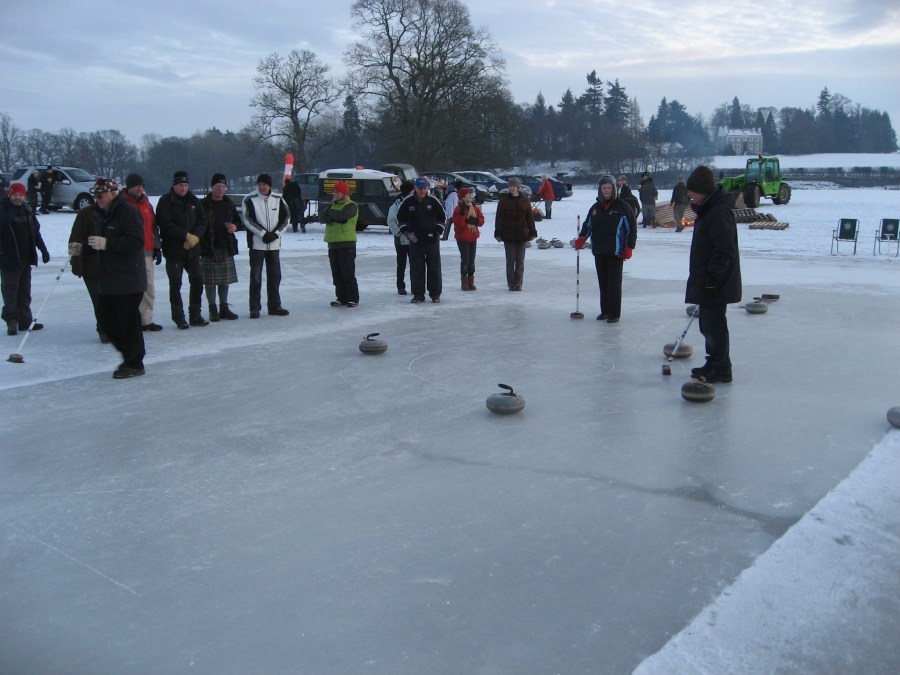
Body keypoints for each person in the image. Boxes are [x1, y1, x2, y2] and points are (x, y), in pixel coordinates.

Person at [684, 165, 741, 384]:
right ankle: (713, 361)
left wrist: (712, 278)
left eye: (693, 191)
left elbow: (724, 250)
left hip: (716, 281)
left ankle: (722, 368)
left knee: (714, 326)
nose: (689, 194)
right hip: (708, 278)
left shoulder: (717, 212)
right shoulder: (708, 209)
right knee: (707, 325)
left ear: (703, 190)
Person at [86, 178, 147, 379]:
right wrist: (84, 247)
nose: (98, 199)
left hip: (128, 278)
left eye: (100, 196)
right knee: (106, 321)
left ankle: (134, 361)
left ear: (112, 194)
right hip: (109, 277)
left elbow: (136, 241)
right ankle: (130, 355)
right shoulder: (101, 214)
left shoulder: (128, 212)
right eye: (95, 196)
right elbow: (100, 242)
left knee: (128, 322)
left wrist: (107, 244)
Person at [575, 175, 637, 323]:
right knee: (603, 283)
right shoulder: (595, 208)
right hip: (599, 250)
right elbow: (588, 225)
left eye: (609, 188)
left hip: (616, 252)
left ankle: (614, 313)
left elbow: (632, 229)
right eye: (604, 188)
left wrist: (630, 247)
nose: (607, 190)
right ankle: (605, 311)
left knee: (614, 284)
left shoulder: (623, 207)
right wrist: (582, 238)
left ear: (614, 189)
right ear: (600, 190)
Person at [156, 170, 208, 329]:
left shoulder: (194, 200)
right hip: (174, 251)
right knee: (175, 284)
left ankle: (195, 314)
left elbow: (203, 220)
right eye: (180, 185)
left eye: (185, 185)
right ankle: (178, 317)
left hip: (192, 250)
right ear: (174, 186)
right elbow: (165, 224)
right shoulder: (165, 201)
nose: (183, 188)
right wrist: (185, 235)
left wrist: (196, 237)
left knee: (198, 281)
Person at [0, 183, 50, 336]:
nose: (18, 197)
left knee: (24, 293)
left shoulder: (27, 210)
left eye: (20, 195)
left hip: (25, 259)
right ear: (10, 195)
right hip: (9, 260)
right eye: (15, 194)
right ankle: (12, 321)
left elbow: (35, 232)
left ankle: (25, 321)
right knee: (10, 292)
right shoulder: (3, 211)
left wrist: (43, 249)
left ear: (24, 196)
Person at [242, 173, 290, 318]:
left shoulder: (278, 199)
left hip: (274, 245)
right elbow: (248, 220)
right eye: (259, 184)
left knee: (275, 276)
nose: (262, 187)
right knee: (256, 278)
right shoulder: (249, 199)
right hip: (257, 245)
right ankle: (254, 307)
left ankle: (274, 306)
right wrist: (263, 233)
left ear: (270, 186)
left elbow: (286, 218)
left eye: (264, 184)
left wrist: (276, 234)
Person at [123, 173, 162, 332]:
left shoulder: (147, 204)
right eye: (136, 186)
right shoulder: (121, 204)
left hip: (146, 251)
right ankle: (131, 321)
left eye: (141, 186)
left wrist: (157, 247)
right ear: (129, 187)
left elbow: (154, 227)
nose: (140, 188)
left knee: (148, 287)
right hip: (128, 253)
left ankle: (146, 320)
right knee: (130, 289)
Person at [397, 176, 445, 303]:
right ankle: (418, 294)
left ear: (428, 188)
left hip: (432, 241)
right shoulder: (408, 202)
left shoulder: (433, 201)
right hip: (415, 241)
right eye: (420, 188)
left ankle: (435, 294)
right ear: (415, 188)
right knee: (416, 269)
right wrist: (407, 233)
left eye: (424, 188)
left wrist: (438, 231)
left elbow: (442, 217)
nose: (422, 191)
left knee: (434, 269)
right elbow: (400, 220)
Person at [199, 173, 240, 321]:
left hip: (226, 245)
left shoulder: (228, 203)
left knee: (224, 280)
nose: (220, 189)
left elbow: (238, 221)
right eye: (218, 186)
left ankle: (224, 307)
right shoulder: (203, 204)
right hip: (208, 247)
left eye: (223, 186)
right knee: (210, 282)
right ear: (212, 187)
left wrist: (235, 226)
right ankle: (212, 309)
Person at [68, 203, 108, 343]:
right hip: (92, 266)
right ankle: (104, 329)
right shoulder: (86, 214)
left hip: (113, 266)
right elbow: (75, 240)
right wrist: (76, 262)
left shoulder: (119, 211)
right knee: (99, 299)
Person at [320, 181, 360, 308]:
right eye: (334, 192)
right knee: (336, 274)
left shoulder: (351, 205)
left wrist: (332, 216)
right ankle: (341, 297)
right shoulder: (332, 205)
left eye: (338, 192)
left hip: (346, 244)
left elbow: (342, 216)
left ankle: (352, 298)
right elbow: (322, 217)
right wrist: (334, 216)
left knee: (347, 273)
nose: (335, 194)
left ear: (344, 193)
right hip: (333, 244)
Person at [494, 176, 536, 291]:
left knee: (520, 260)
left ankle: (518, 283)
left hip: (522, 234)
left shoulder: (525, 200)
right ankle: (511, 283)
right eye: (510, 186)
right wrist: (498, 232)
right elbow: (499, 218)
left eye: (514, 186)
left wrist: (532, 231)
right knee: (510, 260)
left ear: (518, 187)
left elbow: (530, 217)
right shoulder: (504, 201)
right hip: (508, 234)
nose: (512, 188)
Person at [451, 188, 484, 291]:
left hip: (472, 236)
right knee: (465, 259)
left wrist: (475, 220)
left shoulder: (474, 208)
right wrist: (463, 216)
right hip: (463, 238)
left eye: (470, 195)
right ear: (462, 198)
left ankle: (471, 281)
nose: (470, 197)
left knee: (472, 260)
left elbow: (481, 221)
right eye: (468, 196)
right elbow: (459, 224)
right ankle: (464, 282)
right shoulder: (458, 209)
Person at [387, 180, 414, 295]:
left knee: (415, 264)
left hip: (413, 239)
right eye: (412, 191)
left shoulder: (413, 202)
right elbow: (391, 221)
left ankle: (415, 286)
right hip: (401, 240)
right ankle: (400, 286)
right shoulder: (396, 205)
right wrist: (399, 233)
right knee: (401, 264)